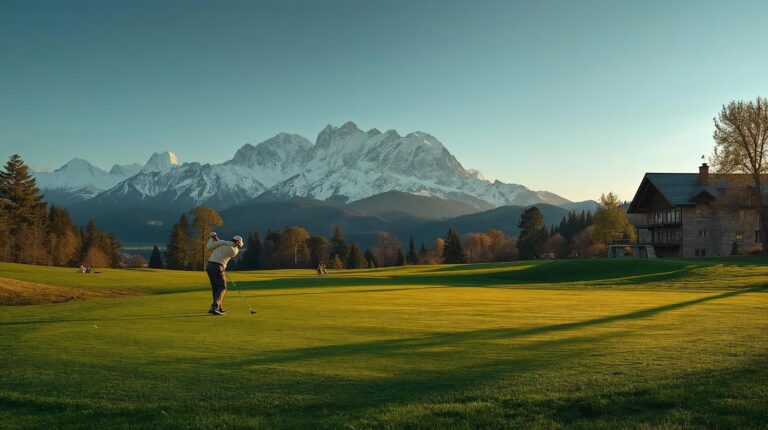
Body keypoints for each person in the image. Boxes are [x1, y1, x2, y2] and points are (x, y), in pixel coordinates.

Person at [206, 232, 244, 315]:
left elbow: (211, 246)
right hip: (218, 266)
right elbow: (228, 245)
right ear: (237, 242)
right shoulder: (234, 250)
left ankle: (218, 308)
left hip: (209, 266)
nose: (238, 247)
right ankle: (214, 307)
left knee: (216, 288)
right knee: (222, 287)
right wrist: (218, 240)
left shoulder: (223, 243)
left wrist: (213, 238)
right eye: (238, 245)